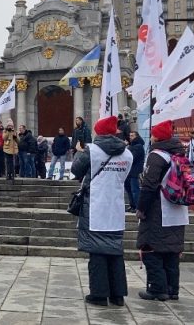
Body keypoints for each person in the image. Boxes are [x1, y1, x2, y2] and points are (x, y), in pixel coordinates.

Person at [72, 116, 133, 307]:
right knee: (115, 251)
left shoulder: (92, 150)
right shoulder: (127, 153)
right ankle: (117, 295)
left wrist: (79, 152)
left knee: (96, 250)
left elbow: (76, 169)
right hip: (115, 205)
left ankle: (99, 294)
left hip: (95, 204)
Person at [136, 120, 187, 301]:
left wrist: (141, 208)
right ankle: (173, 289)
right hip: (178, 210)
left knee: (152, 248)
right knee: (172, 251)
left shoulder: (157, 155)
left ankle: (157, 288)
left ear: (157, 136)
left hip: (159, 209)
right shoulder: (180, 154)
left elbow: (149, 185)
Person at [125, 131, 146, 213]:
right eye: (130, 135)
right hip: (129, 171)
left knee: (134, 190)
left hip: (134, 171)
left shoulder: (138, 146)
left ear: (137, 136)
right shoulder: (131, 146)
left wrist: (127, 149)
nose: (130, 137)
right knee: (129, 189)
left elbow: (131, 158)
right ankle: (132, 205)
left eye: (132, 135)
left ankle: (137, 207)